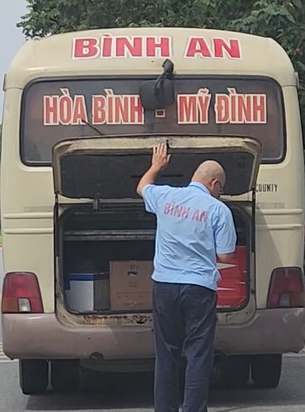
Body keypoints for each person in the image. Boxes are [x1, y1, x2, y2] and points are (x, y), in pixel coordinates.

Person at [136, 143, 237, 412]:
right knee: (198, 354)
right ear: (214, 183)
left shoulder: (167, 197)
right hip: (199, 289)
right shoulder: (219, 211)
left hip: (165, 286)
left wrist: (156, 167)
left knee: (166, 353)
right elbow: (226, 256)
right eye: (221, 188)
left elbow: (142, 187)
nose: (220, 193)